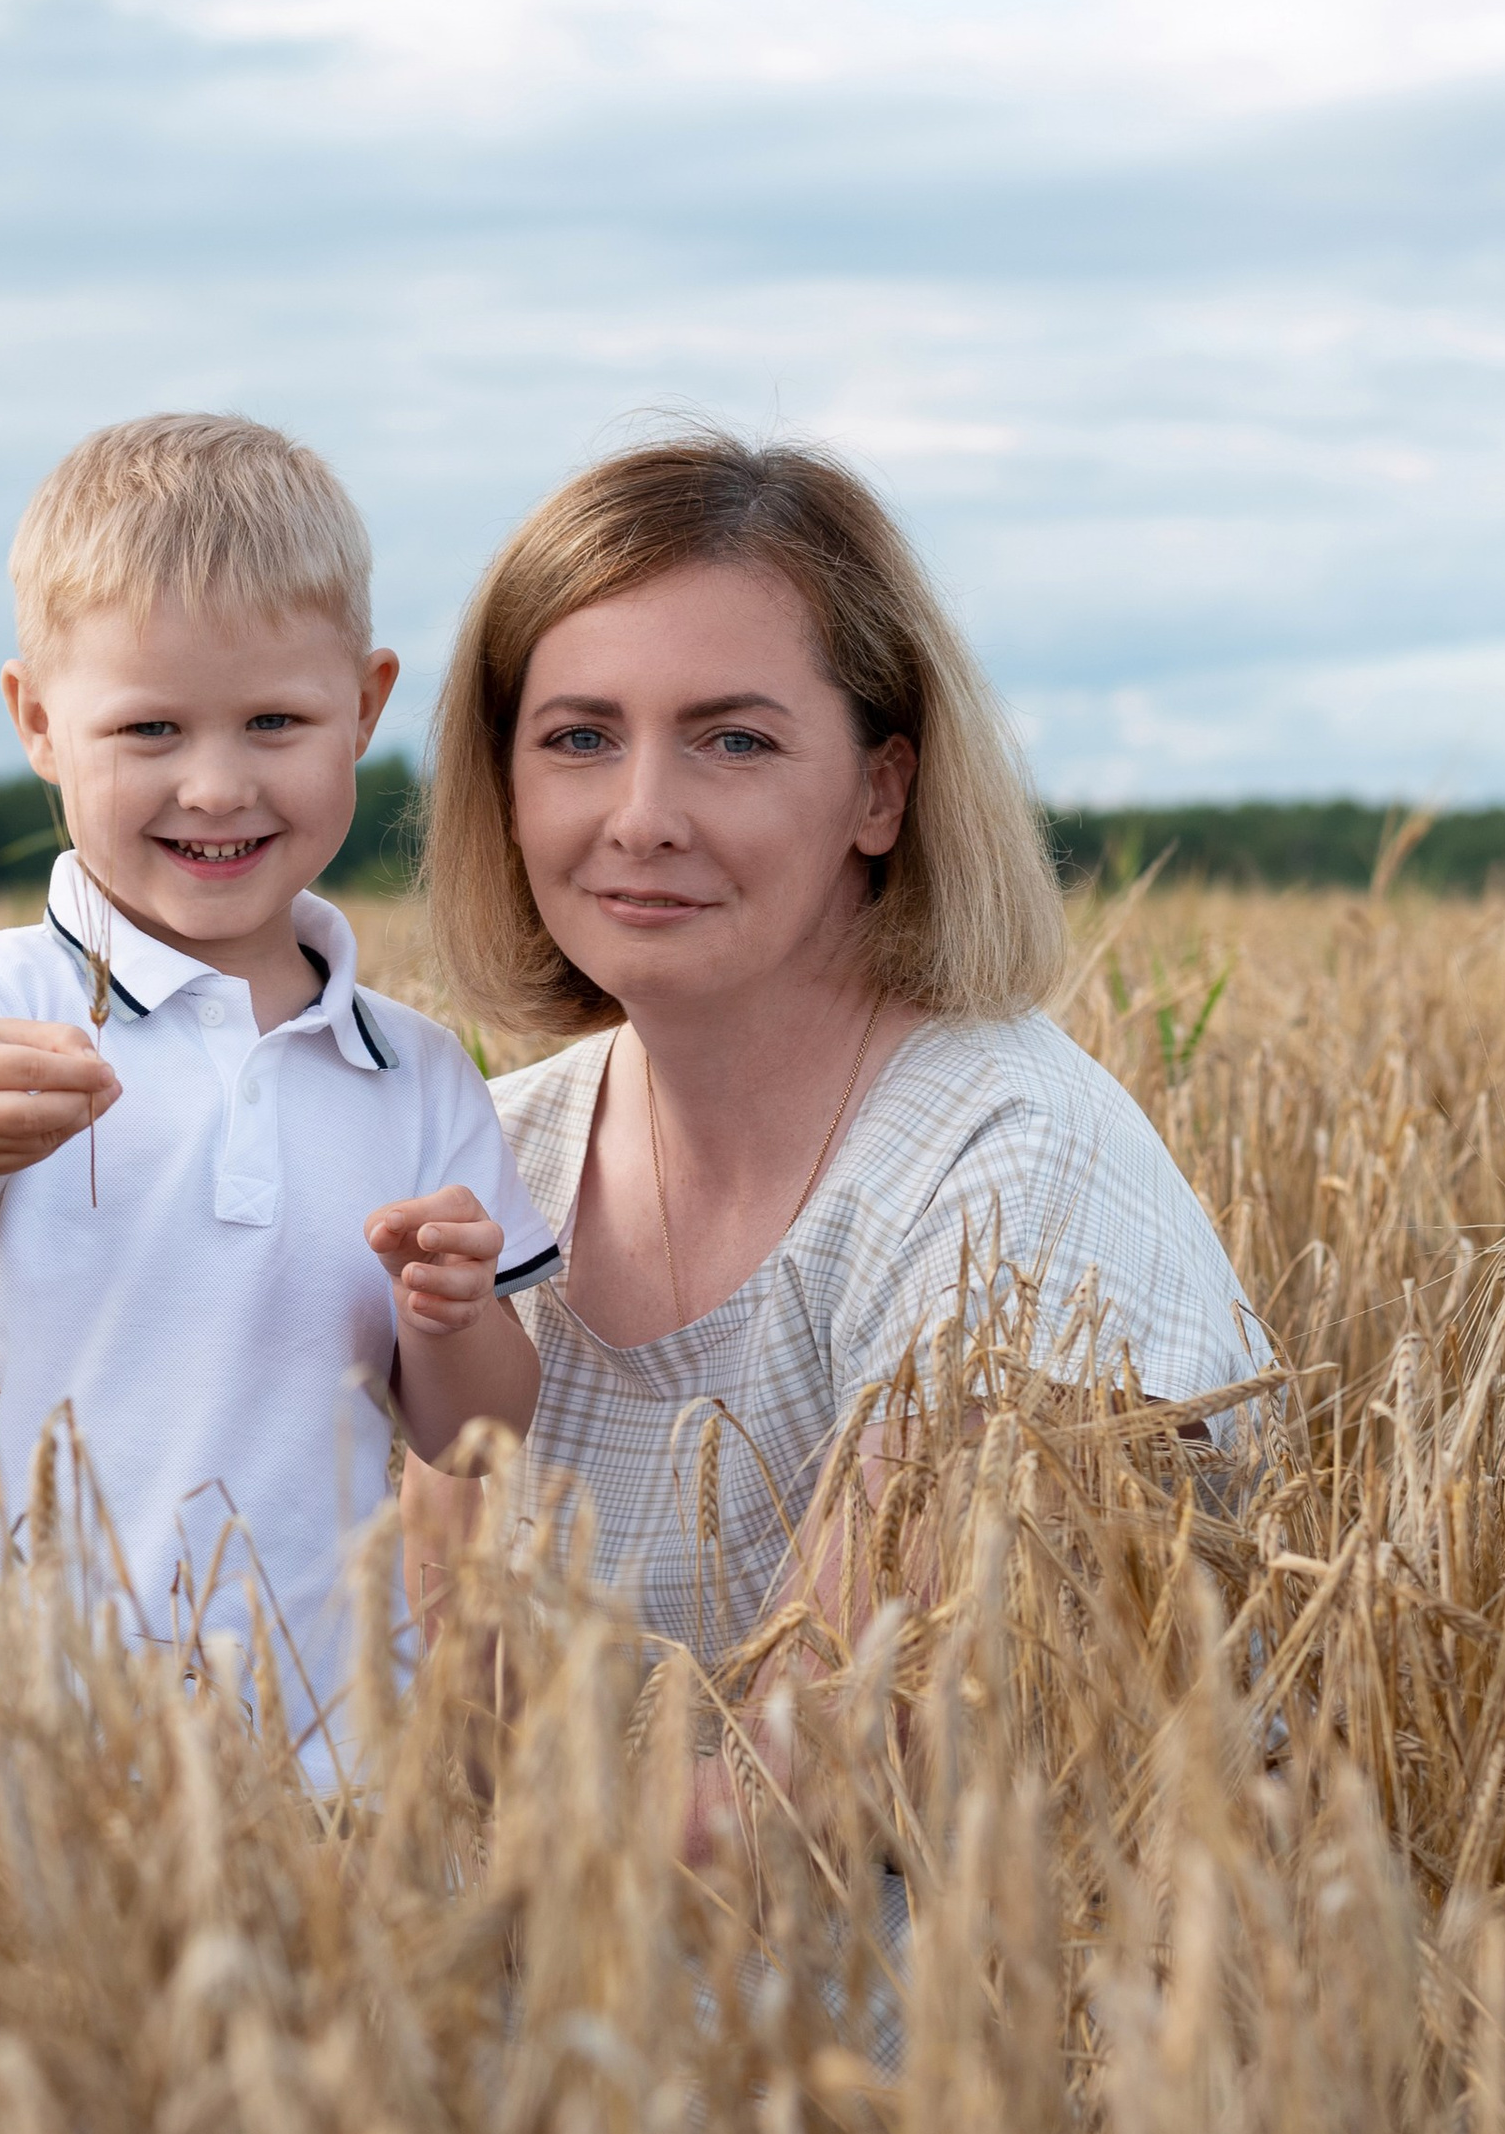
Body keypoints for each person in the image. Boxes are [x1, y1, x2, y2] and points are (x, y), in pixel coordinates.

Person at [406, 432, 1266, 1687]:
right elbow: (428, 1721)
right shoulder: (487, 1147)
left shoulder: (1010, 1173)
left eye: (733, 742)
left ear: (882, 792)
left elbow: (816, 1781)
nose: (640, 817)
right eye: (579, 739)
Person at [0, 413, 558, 1772]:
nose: (216, 784)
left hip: (309, 1735)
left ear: (369, 706)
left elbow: (475, 1434)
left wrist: (453, 1311)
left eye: (275, 721)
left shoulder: (415, 1074)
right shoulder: (1, 1005)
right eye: (149, 727)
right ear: (38, 719)